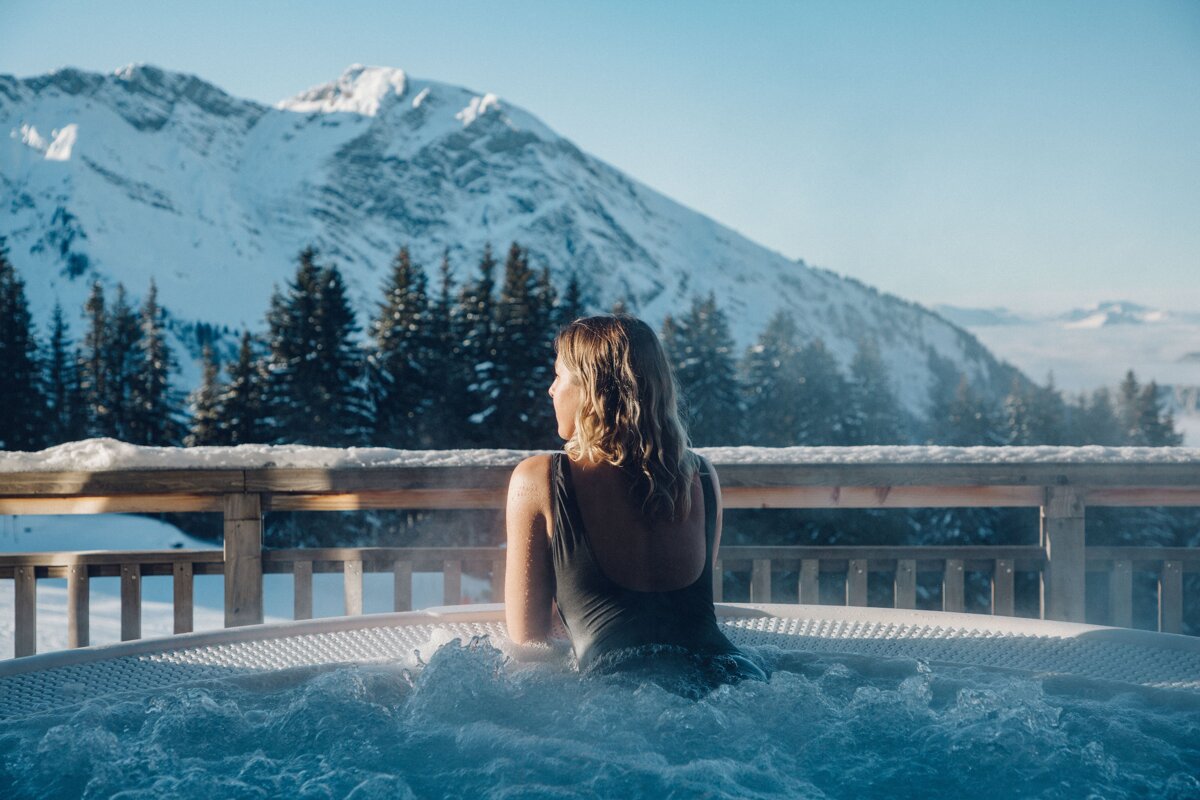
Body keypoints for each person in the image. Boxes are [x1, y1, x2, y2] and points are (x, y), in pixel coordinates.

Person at [504, 314, 766, 694]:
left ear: (589, 388)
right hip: (736, 677)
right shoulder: (702, 477)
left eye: (558, 375)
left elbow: (528, 646)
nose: (550, 390)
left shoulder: (540, 478)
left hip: (622, 692)